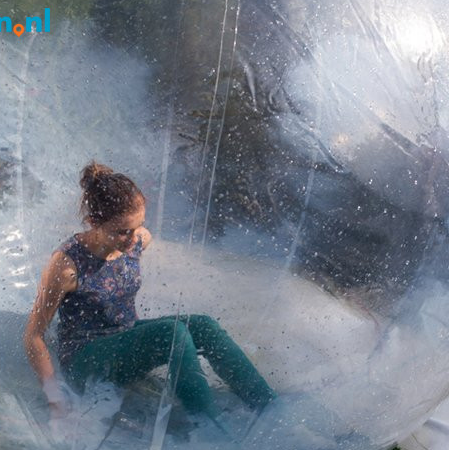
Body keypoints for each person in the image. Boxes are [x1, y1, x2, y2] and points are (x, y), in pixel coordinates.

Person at [23, 161, 276, 423]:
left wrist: (129, 235)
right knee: (172, 333)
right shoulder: (66, 266)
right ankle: (207, 425)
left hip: (124, 338)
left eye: (138, 226)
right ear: (93, 222)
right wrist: (56, 400)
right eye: (122, 232)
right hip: (86, 360)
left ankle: (268, 404)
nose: (133, 238)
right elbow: (34, 336)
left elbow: (137, 239)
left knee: (204, 326)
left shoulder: (137, 240)